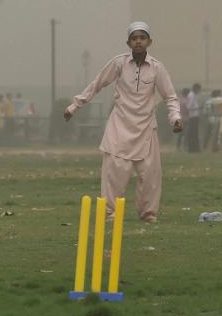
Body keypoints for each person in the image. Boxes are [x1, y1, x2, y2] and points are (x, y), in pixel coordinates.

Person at [64, 22, 182, 222]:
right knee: (113, 176)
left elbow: (170, 97)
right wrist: (75, 106)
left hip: (146, 128)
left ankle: (148, 214)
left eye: (142, 38)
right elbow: (97, 84)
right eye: (134, 38)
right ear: (128, 42)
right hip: (119, 127)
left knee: (151, 177)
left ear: (149, 42)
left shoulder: (157, 68)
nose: (138, 41)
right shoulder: (118, 63)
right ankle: (110, 214)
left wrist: (175, 118)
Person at [184, 83, 201, 152]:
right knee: (193, 134)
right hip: (193, 116)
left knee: (194, 133)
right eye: (199, 89)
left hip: (195, 116)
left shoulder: (193, 95)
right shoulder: (191, 96)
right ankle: (192, 149)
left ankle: (195, 148)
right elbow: (188, 107)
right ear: (196, 88)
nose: (199, 91)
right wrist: (197, 108)